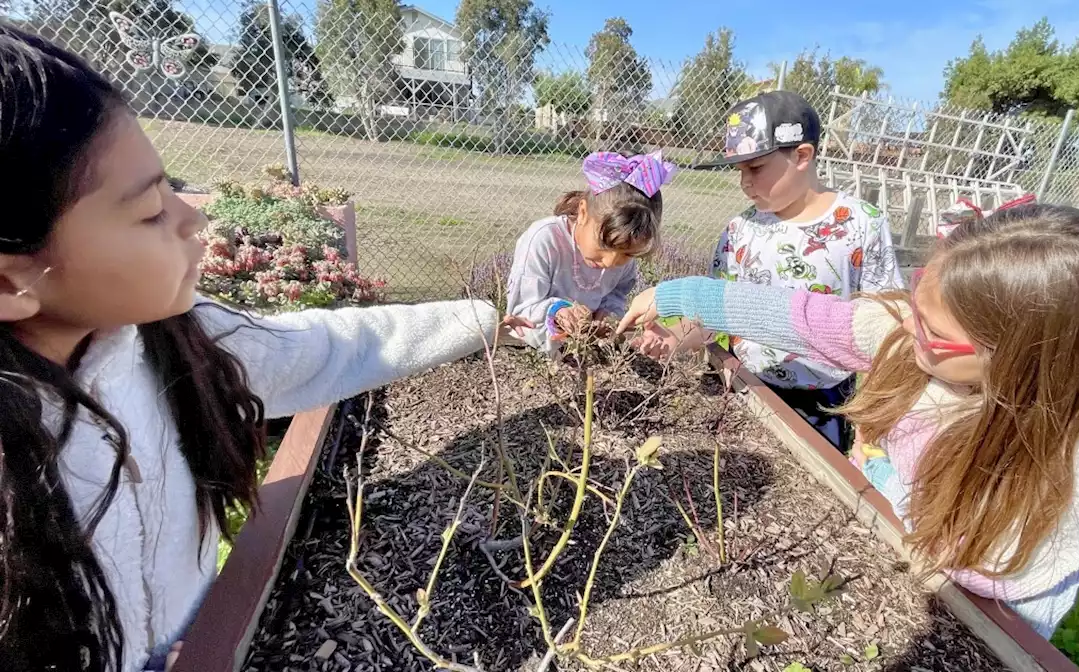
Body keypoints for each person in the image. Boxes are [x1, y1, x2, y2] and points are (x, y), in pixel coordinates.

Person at [0, 26, 524, 672]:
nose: (193, 219)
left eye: (173, 188)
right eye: (147, 212)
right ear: (10, 281)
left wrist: (479, 319)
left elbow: (325, 348)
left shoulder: (176, 339)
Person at [617, 203, 1079, 637]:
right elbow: (807, 319)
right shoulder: (918, 334)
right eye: (914, 305)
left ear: (1020, 354)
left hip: (1004, 600)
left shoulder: (1070, 447)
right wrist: (682, 294)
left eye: (931, 328)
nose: (908, 328)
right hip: (917, 527)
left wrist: (885, 480)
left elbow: (975, 557)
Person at [637, 90, 902, 451]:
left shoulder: (861, 225)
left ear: (802, 156)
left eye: (756, 168)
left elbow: (886, 336)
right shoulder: (739, 232)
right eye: (739, 170)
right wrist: (672, 340)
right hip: (748, 392)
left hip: (826, 405)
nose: (744, 182)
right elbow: (714, 315)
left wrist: (872, 428)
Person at [507, 150, 674, 352]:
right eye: (605, 246)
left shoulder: (621, 253)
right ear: (583, 212)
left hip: (581, 351)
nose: (612, 262)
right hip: (529, 350)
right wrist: (557, 312)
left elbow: (617, 293)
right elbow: (520, 310)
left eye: (628, 254)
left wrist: (608, 313)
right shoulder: (545, 240)